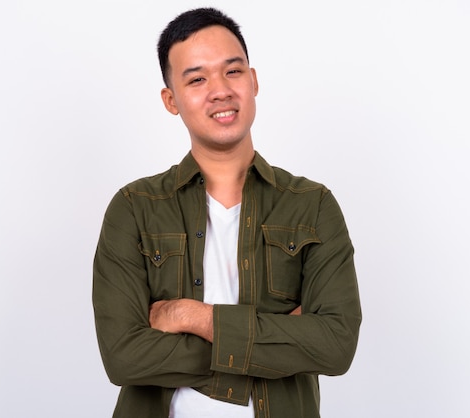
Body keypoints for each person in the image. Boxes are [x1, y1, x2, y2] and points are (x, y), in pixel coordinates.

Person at [93, 7, 361, 418]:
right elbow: (124, 356)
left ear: (253, 81)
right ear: (171, 100)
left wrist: (189, 315)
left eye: (232, 72)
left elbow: (336, 345)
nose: (219, 90)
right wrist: (276, 341)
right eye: (197, 79)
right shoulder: (134, 209)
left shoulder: (312, 205)